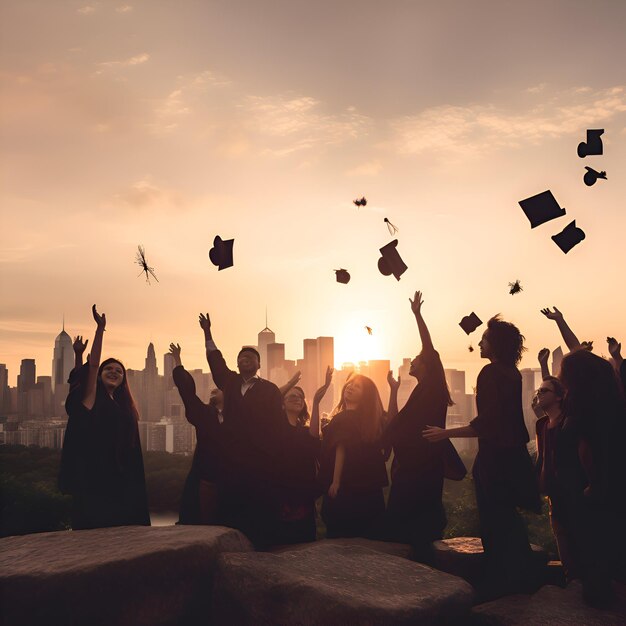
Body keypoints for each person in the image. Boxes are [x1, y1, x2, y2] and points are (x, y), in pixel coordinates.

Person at [423, 316, 540, 596]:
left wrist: (445, 433)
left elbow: (488, 423)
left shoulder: (490, 373)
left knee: (494, 523)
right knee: (508, 520)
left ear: (495, 344)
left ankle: (500, 586)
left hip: (494, 462)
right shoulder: (513, 372)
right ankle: (521, 580)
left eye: (484, 339)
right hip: (513, 459)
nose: (479, 343)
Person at [381, 291, 461, 558]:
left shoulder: (434, 388)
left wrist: (417, 314)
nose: (412, 360)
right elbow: (394, 424)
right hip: (407, 469)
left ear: (427, 365)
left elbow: (428, 346)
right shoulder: (417, 392)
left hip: (423, 468)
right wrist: (392, 389)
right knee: (399, 526)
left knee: (420, 528)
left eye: (417, 358)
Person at [199, 311, 286, 548]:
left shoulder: (270, 390)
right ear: (236, 364)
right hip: (232, 458)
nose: (245, 359)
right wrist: (207, 332)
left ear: (259, 364)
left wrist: (271, 455)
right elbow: (216, 362)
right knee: (231, 503)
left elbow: (278, 426)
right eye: (241, 357)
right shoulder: (230, 382)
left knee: (258, 506)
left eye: (250, 356)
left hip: (260, 460)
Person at [59, 305, 150, 529]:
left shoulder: (123, 407)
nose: (114, 372)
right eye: (109, 369)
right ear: (99, 376)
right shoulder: (92, 398)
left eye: (119, 371)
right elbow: (90, 368)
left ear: (123, 381)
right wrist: (100, 330)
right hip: (94, 477)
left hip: (120, 478)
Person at [556, 348, 626, 605]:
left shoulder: (580, 409)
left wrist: (592, 486)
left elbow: (585, 450)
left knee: (594, 557)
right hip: (604, 494)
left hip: (588, 496)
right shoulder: (610, 406)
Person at [319, 374, 388, 538]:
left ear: (365, 396)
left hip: (347, 483)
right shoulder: (371, 420)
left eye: (357, 387)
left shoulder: (344, 418)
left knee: (341, 533)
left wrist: (335, 481)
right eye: (350, 383)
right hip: (368, 487)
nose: (350, 387)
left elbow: (340, 448)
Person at [275, 367, 333, 544]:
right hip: (280, 493)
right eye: (292, 396)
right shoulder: (276, 428)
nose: (297, 399)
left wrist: (316, 402)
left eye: (300, 397)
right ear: (282, 403)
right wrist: (291, 383)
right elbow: (269, 399)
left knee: (304, 542)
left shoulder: (304, 432)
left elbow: (314, 439)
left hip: (303, 495)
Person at [169, 342, 224, 525]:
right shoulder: (206, 414)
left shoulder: (237, 418)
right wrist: (178, 360)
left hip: (232, 480)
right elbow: (187, 392)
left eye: (219, 388)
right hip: (206, 480)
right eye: (212, 389)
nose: (214, 389)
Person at [534, 376, 575, 577]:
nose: (539, 394)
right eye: (538, 391)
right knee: (561, 537)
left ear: (559, 397)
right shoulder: (542, 425)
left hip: (572, 490)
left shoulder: (568, 422)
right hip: (553, 492)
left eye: (544, 391)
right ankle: (570, 580)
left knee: (577, 535)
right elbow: (542, 456)